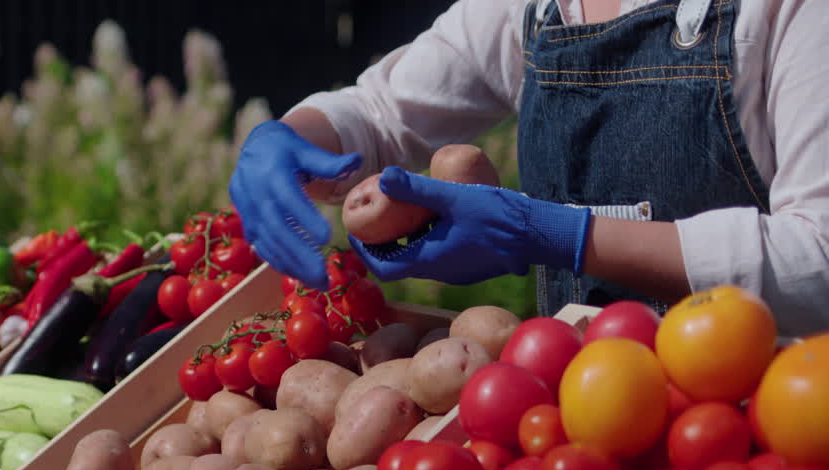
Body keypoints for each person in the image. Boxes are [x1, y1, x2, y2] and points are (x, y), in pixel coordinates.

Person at [228, 0, 829, 335]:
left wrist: (562, 235)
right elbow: (383, 111)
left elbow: (818, 258)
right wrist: (289, 140)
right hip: (581, 409)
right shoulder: (536, 7)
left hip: (771, 415)